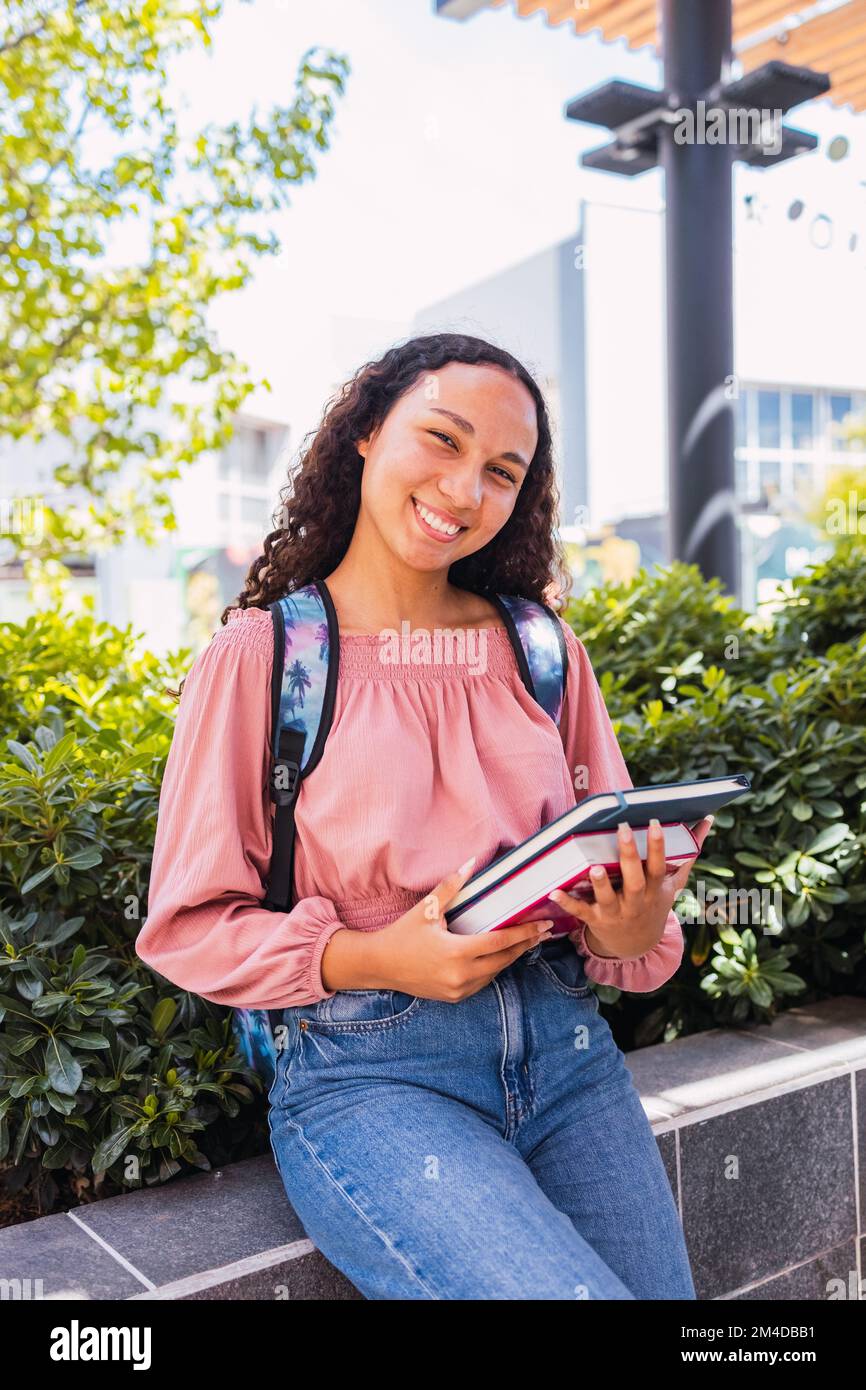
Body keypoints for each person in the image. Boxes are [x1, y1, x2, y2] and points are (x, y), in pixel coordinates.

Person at [136, 332, 710, 1301]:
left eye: (500, 471)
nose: (462, 490)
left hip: (570, 1060)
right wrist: (373, 957)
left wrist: (633, 925)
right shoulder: (262, 659)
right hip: (373, 1080)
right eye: (439, 440)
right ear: (366, 430)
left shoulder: (542, 651)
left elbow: (612, 877)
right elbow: (186, 923)